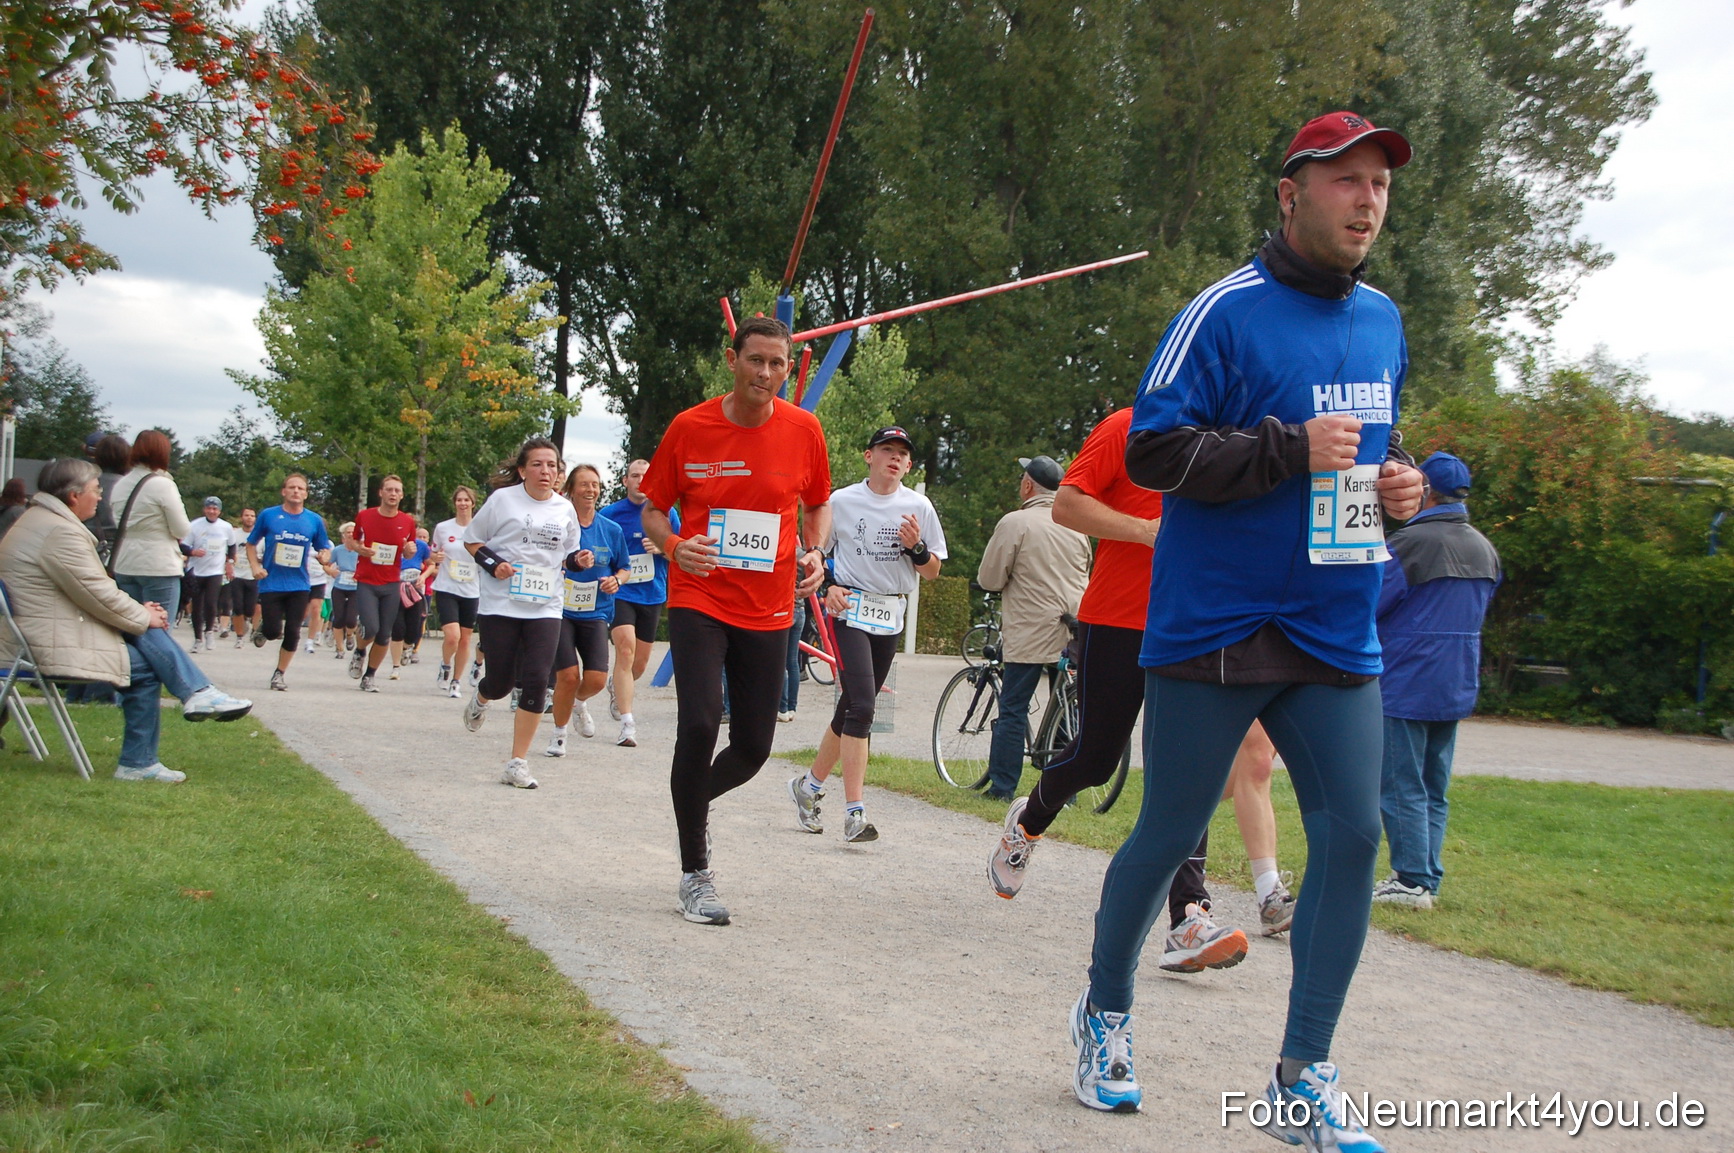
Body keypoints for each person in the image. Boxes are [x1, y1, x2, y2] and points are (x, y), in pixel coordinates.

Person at [1068, 112, 1424, 1148]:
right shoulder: (1223, 312)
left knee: (1356, 836)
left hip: (1335, 621)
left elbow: (1359, 456)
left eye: (1380, 187)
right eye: (1347, 180)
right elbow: (1154, 453)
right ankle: (1104, 1015)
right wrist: (1284, 448)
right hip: (1218, 623)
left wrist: (1394, 488)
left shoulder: (1385, 320)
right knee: (1173, 831)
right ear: (1290, 193)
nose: (1367, 200)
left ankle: (1301, 1074)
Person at [984, 407, 1253, 974]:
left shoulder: (1237, 435)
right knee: (1097, 758)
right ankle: (1028, 821)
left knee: (1184, 766)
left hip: (1192, 624)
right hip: (1119, 619)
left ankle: (1188, 916)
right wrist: (1146, 531)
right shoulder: (1130, 425)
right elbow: (1067, 504)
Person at [640, 315, 831, 925]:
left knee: (752, 748)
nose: (767, 374)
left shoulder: (804, 429)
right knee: (698, 725)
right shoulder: (689, 427)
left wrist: (814, 551)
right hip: (700, 596)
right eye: (757, 361)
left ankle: (686, 802)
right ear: (733, 359)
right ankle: (695, 871)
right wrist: (674, 548)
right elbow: (652, 512)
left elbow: (818, 503)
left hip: (772, 606)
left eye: (778, 364)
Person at [0, 459, 253, 782]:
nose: (100, 497)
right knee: (146, 665)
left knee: (140, 627)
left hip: (33, 637)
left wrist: (138, 612)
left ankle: (196, 695)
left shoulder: (40, 521)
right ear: (75, 496)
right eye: (95, 490)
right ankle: (142, 757)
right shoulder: (59, 531)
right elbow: (97, 594)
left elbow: (92, 592)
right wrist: (142, 614)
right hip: (45, 645)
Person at [788, 425, 946, 843]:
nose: (895, 458)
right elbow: (816, 555)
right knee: (862, 708)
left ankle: (808, 787)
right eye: (886, 450)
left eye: (902, 454)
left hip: (890, 612)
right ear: (868, 456)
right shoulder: (840, 501)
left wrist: (916, 549)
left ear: (909, 465)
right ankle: (855, 813)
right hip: (849, 610)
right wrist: (828, 585)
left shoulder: (919, 506)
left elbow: (932, 571)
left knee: (852, 708)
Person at [1374, 451, 1500, 909]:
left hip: (1406, 679)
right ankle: (1426, 876)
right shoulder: (1483, 546)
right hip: (1456, 681)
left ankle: (1410, 880)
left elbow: (1373, 600)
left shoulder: (1412, 542)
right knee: (1432, 786)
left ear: (1425, 489)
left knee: (1400, 783)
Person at [460, 437, 581, 788]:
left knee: (538, 680)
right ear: (522, 470)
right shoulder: (502, 500)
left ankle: (517, 762)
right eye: (538, 464)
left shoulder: (564, 508)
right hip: (501, 603)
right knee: (500, 683)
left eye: (552, 465)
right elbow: (472, 540)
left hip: (545, 605)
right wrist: (494, 563)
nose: (546, 471)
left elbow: (569, 554)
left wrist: (579, 561)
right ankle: (483, 696)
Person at [975, 454, 1091, 801]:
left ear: (1028, 485)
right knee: (1067, 708)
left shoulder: (1016, 522)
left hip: (1030, 627)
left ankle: (1003, 787)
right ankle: (1063, 791)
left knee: (1014, 707)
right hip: (1074, 628)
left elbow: (990, 578)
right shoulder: (1078, 525)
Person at [547, 464, 631, 757]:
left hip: (596, 611)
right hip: (559, 609)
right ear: (570, 489)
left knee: (594, 679)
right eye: (584, 485)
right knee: (568, 676)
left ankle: (575, 702)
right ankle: (558, 735)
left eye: (595, 485)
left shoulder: (610, 529)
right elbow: (541, 559)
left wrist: (615, 580)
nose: (590, 490)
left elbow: (625, 567)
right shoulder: (557, 524)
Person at [600, 458, 677, 746]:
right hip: (620, 592)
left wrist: (661, 548)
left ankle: (617, 687)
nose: (640, 481)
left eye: (645, 476)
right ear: (625, 481)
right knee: (626, 648)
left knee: (639, 664)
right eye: (634, 476)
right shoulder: (610, 514)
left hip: (652, 593)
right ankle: (627, 724)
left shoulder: (666, 513)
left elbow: (678, 552)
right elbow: (597, 551)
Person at [244, 473, 333, 691]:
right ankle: (265, 628)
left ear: (306, 494)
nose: (296, 491)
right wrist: (256, 567)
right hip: (272, 582)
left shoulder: (313, 520)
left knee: (293, 631)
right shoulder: (269, 515)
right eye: (292, 487)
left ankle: (279, 674)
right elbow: (250, 543)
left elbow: (324, 548)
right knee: (274, 631)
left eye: (301, 489)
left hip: (300, 584)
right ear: (284, 491)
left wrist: (324, 558)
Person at [109, 429, 192, 618]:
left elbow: (117, 521)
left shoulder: (120, 485)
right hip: (157, 563)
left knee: (131, 627)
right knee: (159, 630)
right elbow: (181, 529)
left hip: (125, 562)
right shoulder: (162, 484)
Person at [348, 475, 418, 692]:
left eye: (397, 490)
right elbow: (351, 541)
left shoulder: (407, 522)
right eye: (389, 490)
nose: (393, 494)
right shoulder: (365, 516)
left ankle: (369, 675)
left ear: (402, 495)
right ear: (381, 492)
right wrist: (360, 549)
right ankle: (360, 651)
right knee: (371, 628)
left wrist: (409, 551)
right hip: (367, 581)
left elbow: (410, 547)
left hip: (391, 583)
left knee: (384, 634)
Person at [431, 486, 482, 699]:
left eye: (466, 500)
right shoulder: (443, 528)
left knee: (465, 639)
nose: (462, 504)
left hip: (471, 589)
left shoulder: (481, 529)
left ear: (472, 503)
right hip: (447, 587)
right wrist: (435, 559)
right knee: (452, 636)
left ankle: (456, 681)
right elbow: (433, 554)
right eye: (459, 500)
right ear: (455, 504)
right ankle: (445, 665)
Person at [182, 496, 235, 652]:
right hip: (197, 571)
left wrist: (230, 564)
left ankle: (210, 631)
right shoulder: (195, 526)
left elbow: (232, 547)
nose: (212, 511)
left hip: (215, 571)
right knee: (197, 606)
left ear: (219, 511)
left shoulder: (226, 527)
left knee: (211, 603)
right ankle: (198, 638)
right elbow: (183, 546)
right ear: (204, 509)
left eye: (215, 509)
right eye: (209, 508)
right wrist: (192, 552)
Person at [388, 528, 432, 678]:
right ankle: (395, 667)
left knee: (414, 629)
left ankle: (407, 647)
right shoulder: (391, 542)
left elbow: (431, 564)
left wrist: (424, 576)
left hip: (415, 590)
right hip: (395, 589)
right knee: (398, 628)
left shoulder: (420, 545)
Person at [226, 507, 260, 646]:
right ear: (242, 517)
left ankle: (249, 623)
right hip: (237, 574)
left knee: (251, 609)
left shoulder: (260, 537)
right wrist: (228, 564)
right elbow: (228, 551)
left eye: (252, 515)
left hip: (253, 575)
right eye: (246, 515)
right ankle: (239, 637)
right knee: (237, 607)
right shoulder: (235, 534)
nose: (249, 518)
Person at [328, 523, 362, 658]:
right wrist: (331, 571)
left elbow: (368, 568)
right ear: (344, 536)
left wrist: (360, 576)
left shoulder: (361, 551)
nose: (350, 534)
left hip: (355, 588)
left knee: (351, 619)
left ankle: (349, 635)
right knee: (338, 618)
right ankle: (340, 648)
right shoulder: (337, 550)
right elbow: (326, 564)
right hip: (339, 587)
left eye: (353, 532)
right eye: (348, 532)